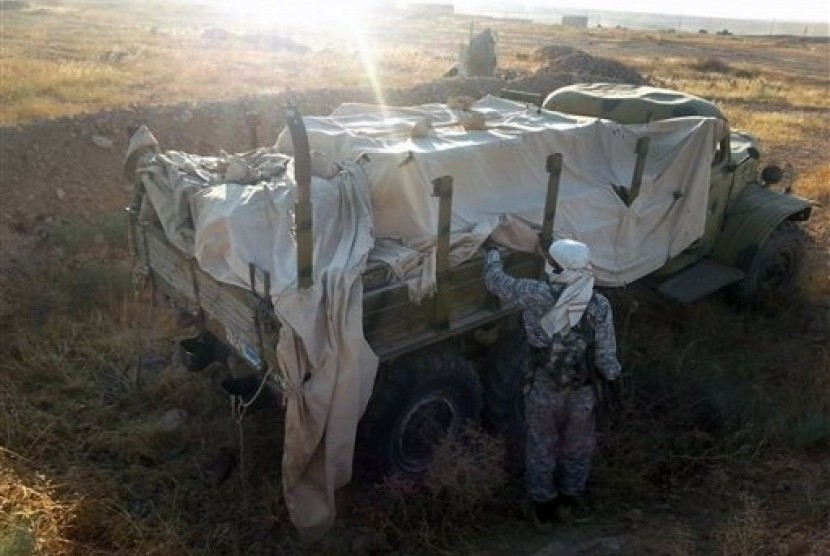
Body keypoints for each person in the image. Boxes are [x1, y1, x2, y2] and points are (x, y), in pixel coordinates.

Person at [482, 239, 621, 529]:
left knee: (541, 446)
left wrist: (492, 253)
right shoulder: (598, 304)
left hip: (544, 388)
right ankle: (569, 502)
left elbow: (495, 281)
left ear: (555, 267)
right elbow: (607, 358)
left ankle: (542, 508)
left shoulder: (535, 293)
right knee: (578, 446)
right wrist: (612, 389)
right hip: (583, 392)